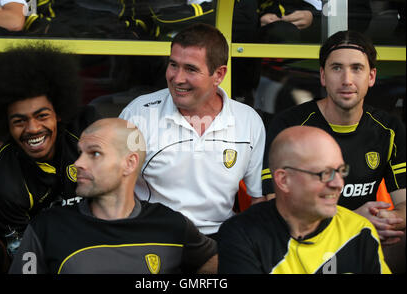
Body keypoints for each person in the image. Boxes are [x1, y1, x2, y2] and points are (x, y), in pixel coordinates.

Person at [0, 43, 99, 273]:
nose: (33, 128)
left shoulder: (87, 131)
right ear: (6, 126)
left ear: (60, 113)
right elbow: (25, 258)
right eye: (19, 121)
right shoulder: (4, 182)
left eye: (42, 115)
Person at [9, 118, 217, 274]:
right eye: (80, 153)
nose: (78, 163)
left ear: (130, 163)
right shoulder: (47, 227)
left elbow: (219, 261)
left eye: (94, 154)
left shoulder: (171, 225)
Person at [260, 30, 406, 249]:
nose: (347, 80)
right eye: (336, 68)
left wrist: (385, 220)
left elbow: (404, 203)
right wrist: (353, 221)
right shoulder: (290, 125)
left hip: (362, 239)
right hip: (303, 242)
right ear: (322, 76)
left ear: (372, 76)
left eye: (357, 68)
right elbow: (277, 207)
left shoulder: (389, 129)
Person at [119, 23, 266, 239]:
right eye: (173, 65)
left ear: (219, 74)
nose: (177, 78)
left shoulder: (248, 120)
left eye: (190, 69)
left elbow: (257, 200)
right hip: (152, 235)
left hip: (220, 237)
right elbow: (113, 187)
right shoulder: (138, 113)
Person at [218, 126, 391, 274]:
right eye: (324, 173)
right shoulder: (242, 234)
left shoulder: (360, 230)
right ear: (283, 180)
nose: (338, 183)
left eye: (340, 170)